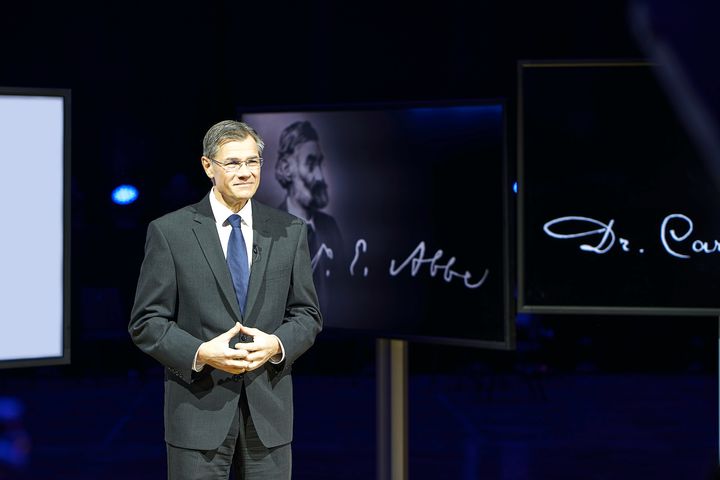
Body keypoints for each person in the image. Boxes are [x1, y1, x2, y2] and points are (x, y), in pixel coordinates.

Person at [129, 120, 322, 479]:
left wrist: (276, 344)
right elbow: (146, 322)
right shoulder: (170, 232)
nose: (246, 172)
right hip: (198, 413)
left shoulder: (290, 231)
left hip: (269, 415)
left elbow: (307, 314)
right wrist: (201, 353)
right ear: (208, 167)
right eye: (233, 163)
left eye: (253, 162)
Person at [274, 120, 344, 319]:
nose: (321, 177)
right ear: (287, 168)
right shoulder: (266, 230)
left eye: (319, 163)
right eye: (310, 163)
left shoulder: (330, 227)